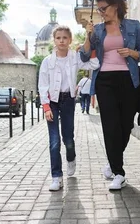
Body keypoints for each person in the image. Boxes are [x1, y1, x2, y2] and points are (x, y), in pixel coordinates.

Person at [80, 0, 140, 191]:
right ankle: (119, 173)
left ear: (116, 6)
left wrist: (132, 52)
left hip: (129, 79)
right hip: (105, 80)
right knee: (110, 126)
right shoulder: (98, 30)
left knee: (125, 125)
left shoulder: (134, 26)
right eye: (99, 9)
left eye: (104, 8)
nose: (101, 12)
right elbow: (85, 57)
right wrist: (88, 35)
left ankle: (112, 162)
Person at [39, 25, 100, 191]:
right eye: (58, 38)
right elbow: (43, 85)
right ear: (54, 40)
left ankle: (71, 158)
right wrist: (46, 107)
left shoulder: (75, 57)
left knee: (68, 139)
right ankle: (57, 177)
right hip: (52, 101)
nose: (61, 41)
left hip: (68, 101)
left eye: (65, 38)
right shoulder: (47, 62)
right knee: (54, 141)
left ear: (70, 40)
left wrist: (89, 48)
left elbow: (94, 64)